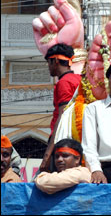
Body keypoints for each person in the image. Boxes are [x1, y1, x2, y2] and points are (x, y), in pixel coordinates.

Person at [40, 43, 82, 172]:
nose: (48, 67)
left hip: (62, 142)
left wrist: (48, 155)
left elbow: (62, 116)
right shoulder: (79, 79)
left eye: (49, 63)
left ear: (56, 61)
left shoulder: (64, 82)